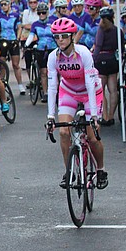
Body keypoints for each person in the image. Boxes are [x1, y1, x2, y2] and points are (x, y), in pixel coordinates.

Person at [45, 18, 107, 189]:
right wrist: (50, 116)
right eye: (56, 37)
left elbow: (89, 83)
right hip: (69, 92)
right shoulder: (53, 57)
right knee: (64, 132)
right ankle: (69, 170)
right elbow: (52, 87)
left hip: (90, 92)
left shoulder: (83, 53)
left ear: (72, 36)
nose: (60, 40)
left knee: (93, 137)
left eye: (64, 36)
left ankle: (101, 169)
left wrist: (93, 115)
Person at [27, 2, 58, 103]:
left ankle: (56, 91)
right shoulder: (35, 24)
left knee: (54, 71)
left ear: (47, 13)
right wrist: (26, 44)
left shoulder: (53, 21)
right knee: (43, 72)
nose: (41, 15)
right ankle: (45, 93)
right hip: (41, 49)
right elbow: (31, 35)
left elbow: (58, 34)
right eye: (39, 13)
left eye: (43, 13)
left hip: (53, 49)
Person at [93, 7, 120, 126]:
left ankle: (104, 116)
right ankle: (111, 116)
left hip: (102, 59)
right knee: (113, 90)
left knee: (101, 90)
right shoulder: (117, 30)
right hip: (113, 59)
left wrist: (93, 59)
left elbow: (98, 45)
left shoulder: (101, 29)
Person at [0, 0, 24, 96]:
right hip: (3, 40)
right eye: (1, 5)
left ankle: (20, 85)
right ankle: (0, 84)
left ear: (9, 4)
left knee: (16, 65)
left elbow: (19, 27)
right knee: (2, 64)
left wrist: (18, 38)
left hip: (13, 40)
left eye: (5, 4)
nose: (3, 6)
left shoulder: (15, 15)